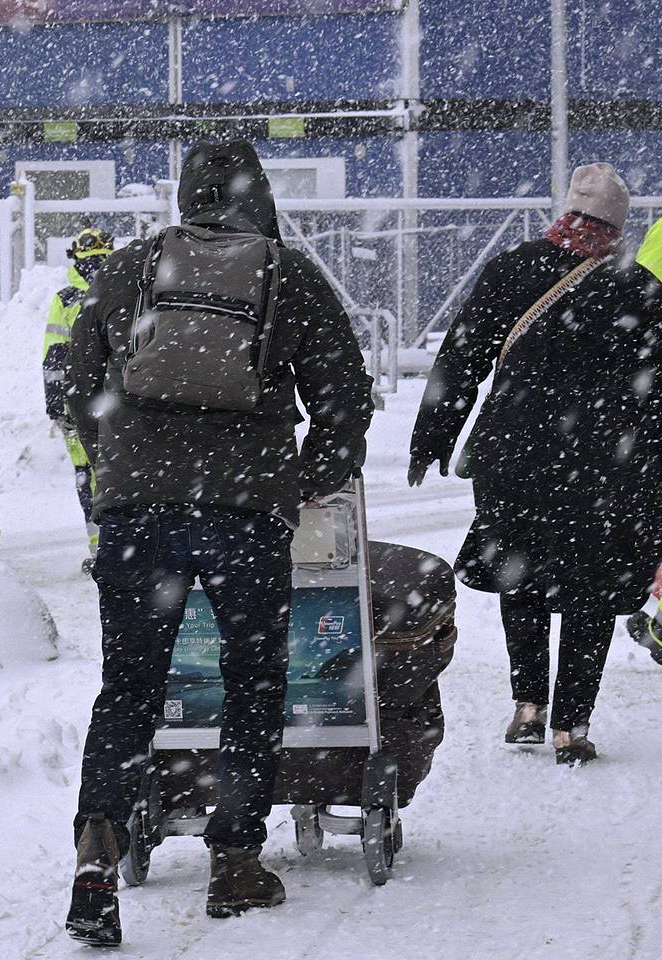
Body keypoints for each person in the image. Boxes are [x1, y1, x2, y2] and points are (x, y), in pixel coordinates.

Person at [62, 140, 373, 944]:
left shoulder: (131, 267)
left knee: (128, 686)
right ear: (256, 195)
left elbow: (74, 381)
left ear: (186, 194)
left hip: (139, 512)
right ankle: (235, 859)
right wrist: (304, 479)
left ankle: (99, 844)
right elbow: (344, 393)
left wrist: (118, 468)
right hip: (245, 512)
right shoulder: (287, 273)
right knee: (253, 681)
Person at [409, 163, 662, 765]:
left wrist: (433, 436)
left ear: (565, 213)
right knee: (591, 589)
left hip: (514, 454)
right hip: (605, 464)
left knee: (518, 574)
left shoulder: (512, 269)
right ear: (620, 225)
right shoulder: (642, 290)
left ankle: (528, 706)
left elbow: (462, 356)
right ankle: (570, 728)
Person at [43, 227, 114, 573]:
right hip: (116, 404)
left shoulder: (66, 299)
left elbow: (53, 357)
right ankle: (119, 547)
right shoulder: (124, 291)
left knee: (86, 478)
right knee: (117, 475)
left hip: (76, 405)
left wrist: (56, 404)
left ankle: (102, 550)